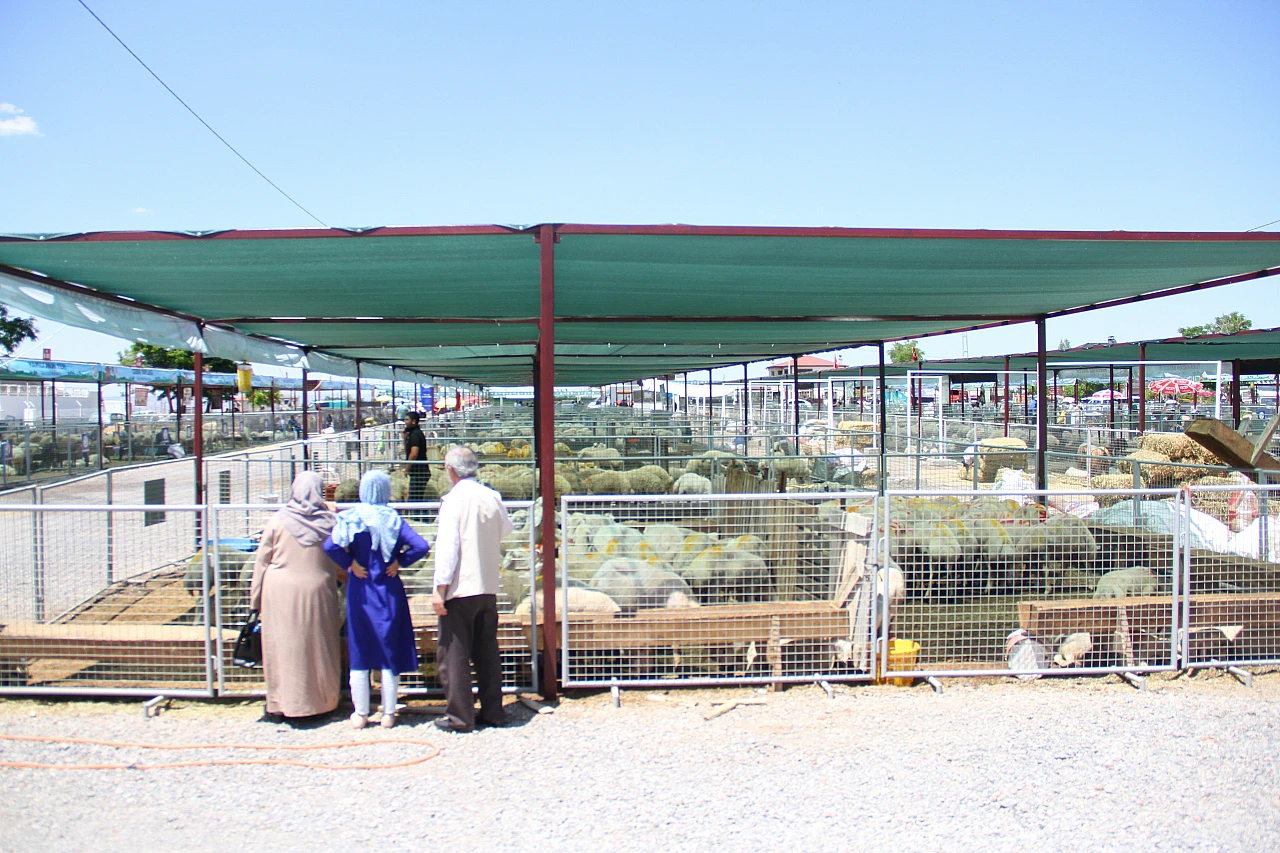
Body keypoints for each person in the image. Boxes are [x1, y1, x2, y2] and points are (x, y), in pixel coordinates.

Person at [323, 470, 430, 729]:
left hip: (361, 589)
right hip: (388, 589)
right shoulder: (393, 518)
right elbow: (421, 545)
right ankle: (389, 713)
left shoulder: (351, 518)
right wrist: (399, 561)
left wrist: (350, 564)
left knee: (360, 648)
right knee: (388, 648)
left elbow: (330, 546)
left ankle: (361, 713)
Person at [431, 446, 513, 732]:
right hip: (488, 584)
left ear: (451, 471)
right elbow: (507, 528)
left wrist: (439, 588)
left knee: (454, 652)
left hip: (460, 587)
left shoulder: (453, 501)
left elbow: (448, 549)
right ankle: (493, 711)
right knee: (487, 650)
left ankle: (460, 716)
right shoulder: (491, 496)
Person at [249, 472, 343, 721]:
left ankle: (281, 704)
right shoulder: (330, 522)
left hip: (279, 593)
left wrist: (255, 599)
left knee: (282, 649)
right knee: (319, 647)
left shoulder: (278, 521)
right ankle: (322, 702)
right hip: (318, 590)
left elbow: (261, 562)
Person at [402, 411, 430, 504]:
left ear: (413, 421)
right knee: (418, 499)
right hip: (419, 471)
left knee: (414, 501)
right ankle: (420, 517)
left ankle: (416, 518)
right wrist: (405, 439)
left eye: (407, 420)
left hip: (419, 472)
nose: (405, 422)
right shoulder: (414, 434)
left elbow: (413, 454)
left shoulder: (415, 435)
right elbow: (409, 450)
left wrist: (407, 469)